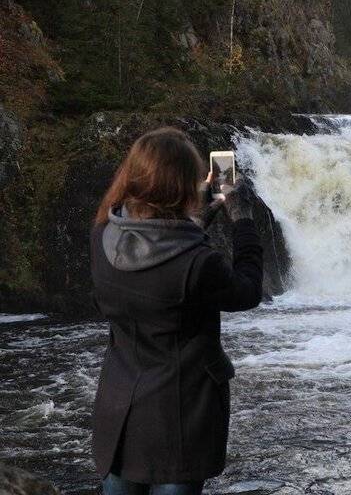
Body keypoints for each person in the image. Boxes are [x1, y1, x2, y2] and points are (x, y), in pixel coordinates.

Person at [89, 127, 263, 494]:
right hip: (180, 419)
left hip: (119, 411)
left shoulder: (102, 237)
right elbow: (247, 291)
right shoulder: (199, 264)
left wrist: (196, 218)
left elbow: (153, 249)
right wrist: (243, 218)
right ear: (183, 185)